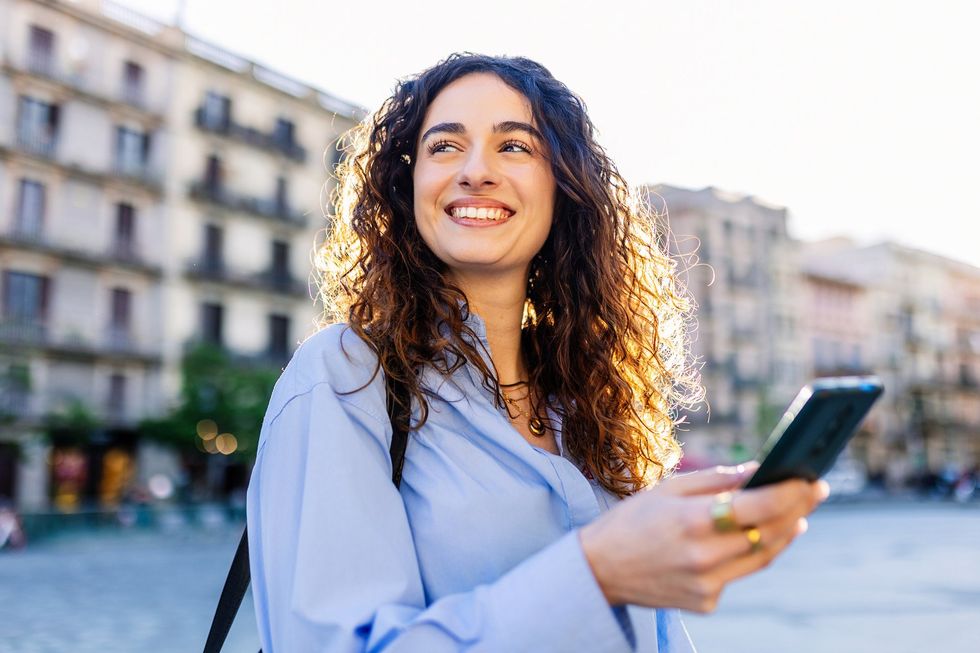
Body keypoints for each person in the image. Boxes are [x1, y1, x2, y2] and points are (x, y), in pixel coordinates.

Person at [246, 53, 827, 652]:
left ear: (563, 187)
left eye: (514, 147)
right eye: (444, 146)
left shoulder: (585, 401)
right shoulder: (344, 375)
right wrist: (598, 570)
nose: (476, 171)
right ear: (406, 184)